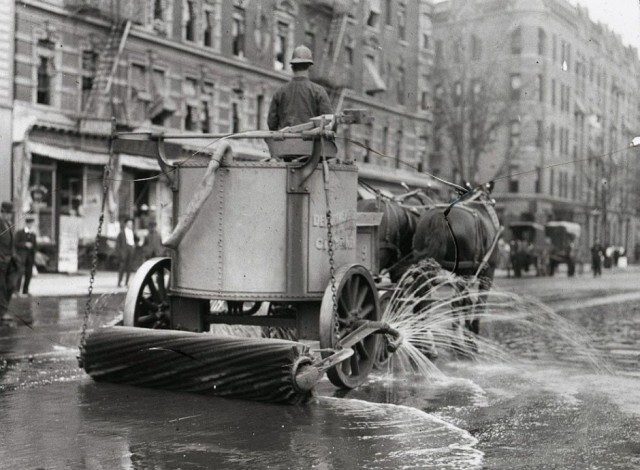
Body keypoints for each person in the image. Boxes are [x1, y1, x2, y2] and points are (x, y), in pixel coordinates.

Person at [267, 45, 333, 131]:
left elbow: (272, 123)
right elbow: (329, 121)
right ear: (309, 66)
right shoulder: (319, 91)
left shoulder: (279, 92)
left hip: (285, 142)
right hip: (312, 143)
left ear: (292, 66)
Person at [0, 202, 15, 321]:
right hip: (1, 260)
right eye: (6, 213)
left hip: (10, 261)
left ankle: (3, 310)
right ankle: (3, 312)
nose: (9, 216)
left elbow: (11, 242)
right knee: (2, 286)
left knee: (11, 285)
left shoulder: (9, 224)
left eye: (10, 213)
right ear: (2, 212)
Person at [15, 215, 37, 296]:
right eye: (28, 223)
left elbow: (35, 247)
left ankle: (25, 290)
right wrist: (25, 244)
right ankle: (17, 290)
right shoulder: (20, 233)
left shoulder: (33, 235)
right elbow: (16, 244)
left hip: (30, 257)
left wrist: (34, 259)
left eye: (31, 224)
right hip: (21, 257)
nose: (30, 225)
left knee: (28, 274)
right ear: (26, 223)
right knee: (20, 273)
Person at [116, 218, 138, 287]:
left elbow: (137, 239)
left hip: (131, 249)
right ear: (126, 224)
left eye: (131, 224)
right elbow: (118, 243)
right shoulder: (122, 233)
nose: (130, 225)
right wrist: (120, 252)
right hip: (124, 250)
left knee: (129, 267)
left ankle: (126, 282)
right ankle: (119, 282)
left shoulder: (133, 232)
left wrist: (135, 245)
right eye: (129, 224)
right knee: (122, 267)